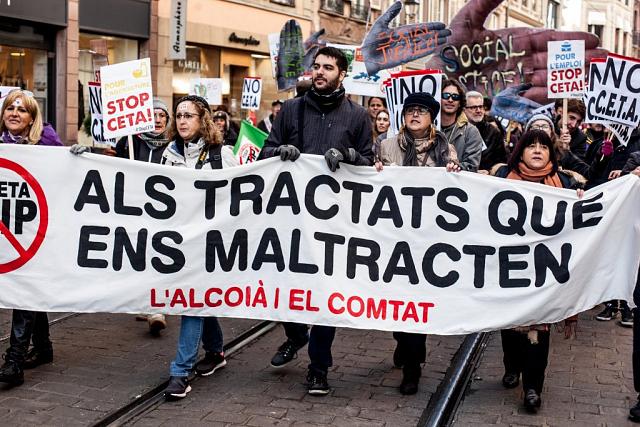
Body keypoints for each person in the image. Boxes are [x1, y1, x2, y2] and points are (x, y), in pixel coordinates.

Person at [260, 46, 373, 395]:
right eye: (317, 66)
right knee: (281, 287)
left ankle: (318, 367)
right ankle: (296, 334)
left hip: (334, 223)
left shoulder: (357, 116)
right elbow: (266, 151)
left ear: (342, 74)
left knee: (326, 295)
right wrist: (280, 152)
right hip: (291, 219)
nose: (320, 72)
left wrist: (349, 155)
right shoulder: (291, 110)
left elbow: (369, 162)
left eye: (328, 67)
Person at [492, 129, 583, 414]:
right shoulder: (501, 177)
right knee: (511, 325)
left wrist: (581, 198)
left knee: (539, 329)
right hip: (509, 266)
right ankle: (512, 366)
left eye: (543, 147)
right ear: (520, 151)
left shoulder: (565, 182)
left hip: (544, 269)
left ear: (551, 153)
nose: (537, 151)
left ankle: (533, 387)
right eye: (530, 145)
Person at [375, 92, 460, 395]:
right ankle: (402, 340)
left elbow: (456, 189)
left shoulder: (445, 149)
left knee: (417, 302)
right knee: (397, 302)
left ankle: (413, 366)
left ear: (431, 118)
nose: (414, 115)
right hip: (394, 239)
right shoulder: (386, 146)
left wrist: (454, 173)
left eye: (421, 111)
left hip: (427, 241)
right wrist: (375, 171)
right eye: (410, 110)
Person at [161, 95, 238, 400]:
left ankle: (180, 371)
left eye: (189, 115)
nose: (182, 121)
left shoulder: (222, 155)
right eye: (178, 115)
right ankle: (216, 351)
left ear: (203, 120)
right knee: (199, 299)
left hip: (211, 243)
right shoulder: (168, 154)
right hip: (180, 241)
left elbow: (240, 195)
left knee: (191, 301)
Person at [0, 89, 63, 387]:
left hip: (35, 231)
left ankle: (14, 361)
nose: (14, 113)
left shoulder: (46, 144)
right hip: (7, 230)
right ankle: (43, 347)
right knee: (31, 287)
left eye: (22, 110)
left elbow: (67, 177)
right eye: (10, 108)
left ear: (32, 118)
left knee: (24, 286)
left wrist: (75, 156)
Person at [112, 98, 172, 334]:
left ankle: (156, 308)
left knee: (158, 254)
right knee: (139, 255)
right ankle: (145, 301)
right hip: (136, 209)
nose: (157, 119)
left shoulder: (175, 145)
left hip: (165, 210)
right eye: (153, 115)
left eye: (162, 115)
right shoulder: (129, 142)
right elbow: (113, 167)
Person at [440, 79, 483, 172]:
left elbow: (472, 166)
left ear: (460, 103)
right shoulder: (428, 128)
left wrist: (457, 167)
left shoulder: (471, 132)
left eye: (455, 97)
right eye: (446, 96)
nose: (450, 100)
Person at [465, 91, 506, 171]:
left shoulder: (493, 132)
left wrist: (490, 172)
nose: (478, 110)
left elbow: (502, 162)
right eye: (473, 107)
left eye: (481, 107)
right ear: (464, 109)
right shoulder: (456, 130)